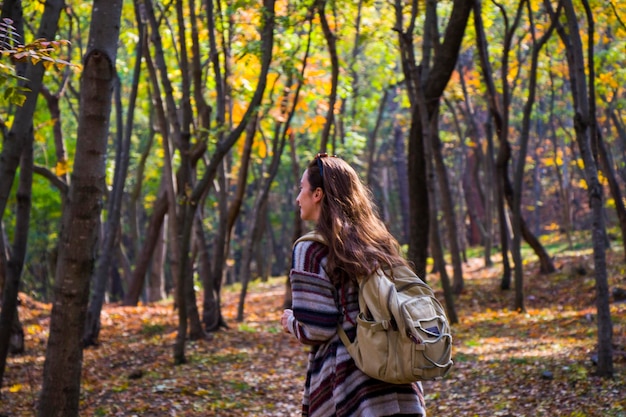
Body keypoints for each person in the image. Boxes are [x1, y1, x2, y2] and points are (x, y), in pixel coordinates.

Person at [281, 153, 426, 417]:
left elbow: (317, 328)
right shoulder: (378, 242)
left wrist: (291, 321)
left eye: (302, 189)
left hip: (349, 379)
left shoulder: (311, 250)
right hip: (396, 373)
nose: (297, 198)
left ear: (317, 194)